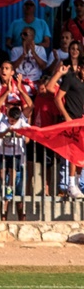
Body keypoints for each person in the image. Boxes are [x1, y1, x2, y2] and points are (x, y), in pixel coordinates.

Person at [54, 64, 84, 198]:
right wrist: (66, 116)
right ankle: (71, 184)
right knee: (73, 153)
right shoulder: (70, 78)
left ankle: (76, 183)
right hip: (71, 120)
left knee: (81, 153)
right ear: (80, 68)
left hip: (81, 121)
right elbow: (57, 98)